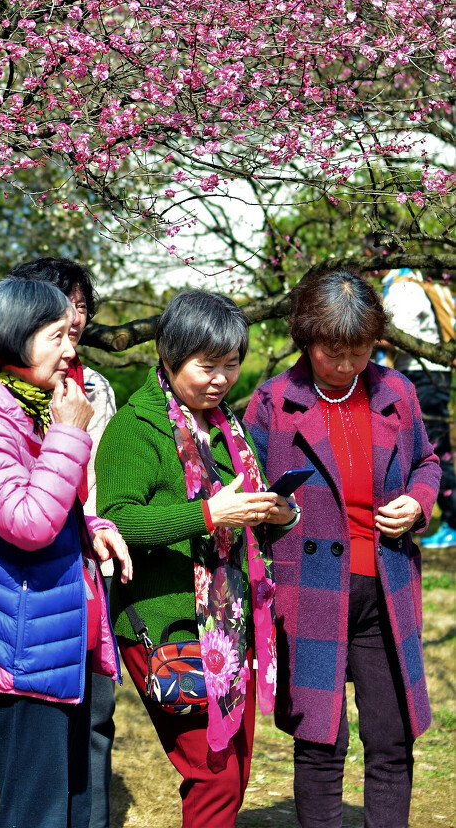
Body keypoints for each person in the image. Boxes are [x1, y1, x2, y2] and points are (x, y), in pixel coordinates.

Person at [0, 278, 132, 828]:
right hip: (19, 642)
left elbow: (49, 506)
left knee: (78, 803)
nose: (71, 349)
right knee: (37, 811)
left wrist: (93, 526)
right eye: (57, 335)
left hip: (56, 631)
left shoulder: (28, 410)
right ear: (15, 338)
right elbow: (27, 523)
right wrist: (68, 435)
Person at [244, 269, 441, 828]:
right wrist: (270, 513)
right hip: (310, 593)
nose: (348, 366)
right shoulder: (273, 403)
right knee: (320, 744)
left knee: (391, 738)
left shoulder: (396, 392)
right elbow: (243, 492)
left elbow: (427, 463)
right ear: (307, 340)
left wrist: (418, 503)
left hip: (387, 588)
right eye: (334, 353)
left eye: (359, 352)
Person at [96, 288, 297, 828]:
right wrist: (208, 514)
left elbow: (241, 506)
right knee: (213, 773)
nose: (221, 379)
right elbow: (120, 522)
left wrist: (279, 514)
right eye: (206, 365)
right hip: (168, 626)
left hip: (230, 625)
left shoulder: (229, 426)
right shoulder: (135, 430)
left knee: (235, 768)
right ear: (168, 354)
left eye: (232, 364)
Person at [9, 257, 118, 828]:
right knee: (38, 735)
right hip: (32, 573)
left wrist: (99, 528)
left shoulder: (94, 386)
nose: (73, 317)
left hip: (88, 558)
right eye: (59, 303)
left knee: (96, 715)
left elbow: (98, 477)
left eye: (79, 304)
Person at [379, 267, 456, 548]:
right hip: (431, 373)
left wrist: (367, 335)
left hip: (421, 373)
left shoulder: (402, 285)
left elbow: (403, 336)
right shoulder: (420, 279)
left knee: (433, 449)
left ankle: (453, 521)